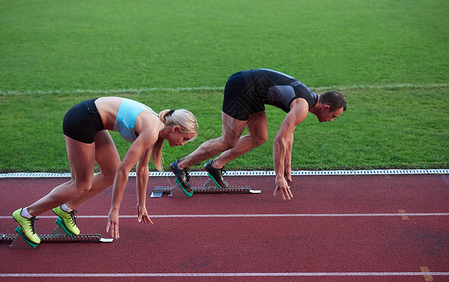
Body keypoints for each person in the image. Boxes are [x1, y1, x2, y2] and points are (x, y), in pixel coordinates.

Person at [13, 97, 198, 244]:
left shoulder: (155, 127)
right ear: (175, 129)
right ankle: (26, 214)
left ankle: (65, 209)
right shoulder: (152, 131)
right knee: (81, 184)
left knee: (110, 173)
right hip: (83, 119)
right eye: (184, 139)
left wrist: (142, 204)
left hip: (92, 119)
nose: (182, 144)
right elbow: (125, 171)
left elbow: (142, 169)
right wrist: (114, 210)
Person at [170, 68, 347, 199]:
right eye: (333, 116)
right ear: (326, 107)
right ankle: (181, 165)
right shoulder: (302, 106)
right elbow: (279, 140)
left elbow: (288, 135)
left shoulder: (307, 101)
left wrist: (287, 166)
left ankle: (215, 165)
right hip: (242, 87)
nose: (331, 119)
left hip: (254, 93)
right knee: (229, 140)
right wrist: (278, 177)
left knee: (259, 137)